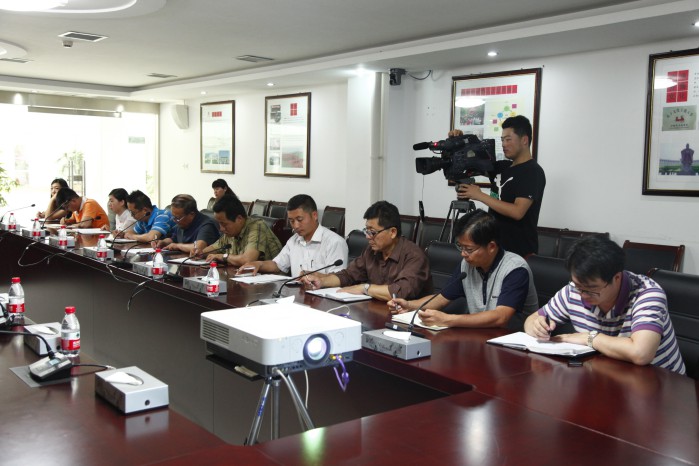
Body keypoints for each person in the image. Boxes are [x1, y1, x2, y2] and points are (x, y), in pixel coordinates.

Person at [524, 235, 686, 374]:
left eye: (592, 289)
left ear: (617, 278)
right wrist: (537, 327)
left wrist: (588, 338)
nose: (583, 295)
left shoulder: (647, 294)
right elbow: (533, 319)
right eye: (578, 286)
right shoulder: (574, 290)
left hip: (662, 386)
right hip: (609, 377)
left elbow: (641, 353)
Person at [389, 209, 538, 330]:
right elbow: (441, 299)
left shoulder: (515, 269)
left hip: (514, 344)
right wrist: (409, 305)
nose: (463, 254)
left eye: (469, 249)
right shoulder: (467, 265)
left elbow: (501, 317)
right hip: (481, 337)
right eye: (460, 247)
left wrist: (447, 319)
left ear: (491, 246)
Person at [301, 201, 432, 301]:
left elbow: (399, 292)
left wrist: (364, 288)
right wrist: (321, 281)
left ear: (392, 232)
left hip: (408, 320)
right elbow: (348, 276)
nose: (368, 237)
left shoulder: (414, 256)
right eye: (366, 231)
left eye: (372, 232)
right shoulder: (372, 251)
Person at [457, 115, 545, 257]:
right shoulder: (502, 167)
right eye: (502, 140)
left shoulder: (533, 171)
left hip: (519, 253)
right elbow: (469, 163)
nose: (504, 144)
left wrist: (480, 195)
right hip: (494, 249)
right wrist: (460, 141)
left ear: (524, 140)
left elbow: (517, 212)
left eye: (508, 139)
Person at [239, 194, 347, 277]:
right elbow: (278, 265)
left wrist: (315, 277)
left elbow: (337, 279)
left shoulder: (334, 242)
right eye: (291, 221)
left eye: (300, 219)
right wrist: (258, 264)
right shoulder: (294, 240)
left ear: (314, 215)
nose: (295, 226)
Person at [202, 194, 282, 266]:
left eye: (224, 224)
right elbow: (214, 248)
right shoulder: (230, 232)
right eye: (219, 223)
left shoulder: (257, 227)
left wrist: (223, 256)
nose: (221, 229)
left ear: (239, 219)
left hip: (271, 276)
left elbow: (248, 260)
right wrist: (200, 253)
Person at [155, 194, 219, 254]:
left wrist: (177, 246)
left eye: (177, 218)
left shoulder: (207, 225)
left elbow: (199, 248)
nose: (175, 221)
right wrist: (163, 242)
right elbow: (174, 239)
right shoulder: (181, 223)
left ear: (191, 214)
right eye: (173, 217)